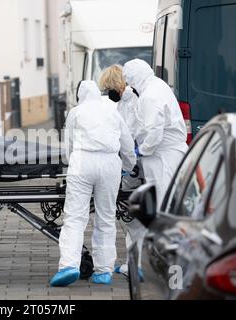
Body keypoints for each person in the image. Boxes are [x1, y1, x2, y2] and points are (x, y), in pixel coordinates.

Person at [50, 80, 136, 287]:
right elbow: (127, 144)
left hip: (82, 161)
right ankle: (103, 271)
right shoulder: (112, 110)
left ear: (81, 95)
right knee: (106, 217)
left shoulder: (77, 112)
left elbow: (68, 145)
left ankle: (69, 266)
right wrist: (128, 165)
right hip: (109, 163)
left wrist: (72, 162)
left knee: (75, 217)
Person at [100, 65, 146, 281]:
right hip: (126, 164)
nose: (107, 94)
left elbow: (130, 135)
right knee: (130, 218)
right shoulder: (119, 103)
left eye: (108, 88)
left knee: (133, 217)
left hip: (133, 166)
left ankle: (135, 264)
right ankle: (133, 263)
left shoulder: (132, 102)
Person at [123, 59, 188, 205]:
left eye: (130, 82)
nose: (130, 86)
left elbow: (154, 132)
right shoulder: (157, 86)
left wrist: (142, 150)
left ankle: (166, 228)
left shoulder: (150, 96)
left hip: (162, 158)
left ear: (135, 78)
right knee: (169, 199)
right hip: (167, 155)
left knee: (163, 202)